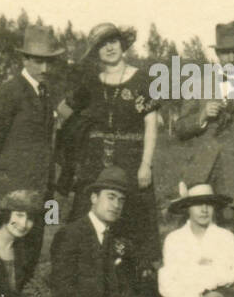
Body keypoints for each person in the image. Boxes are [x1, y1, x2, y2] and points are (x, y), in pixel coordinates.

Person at [48, 166, 190, 297]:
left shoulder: (114, 236)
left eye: (121, 200)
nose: (116, 205)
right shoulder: (71, 234)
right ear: (94, 198)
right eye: (111, 197)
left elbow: (122, 283)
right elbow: (63, 288)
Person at [58, 23, 164, 278]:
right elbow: (63, 109)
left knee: (134, 219)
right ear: (95, 51)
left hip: (131, 162)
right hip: (95, 164)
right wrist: (83, 129)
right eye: (102, 44)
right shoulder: (90, 84)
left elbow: (152, 124)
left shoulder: (142, 80)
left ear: (122, 44)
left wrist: (145, 164)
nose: (109, 48)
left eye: (113, 41)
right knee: (87, 219)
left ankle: (134, 282)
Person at [172, 21, 234, 247]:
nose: (231, 58)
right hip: (200, 174)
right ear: (217, 55)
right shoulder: (198, 84)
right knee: (193, 240)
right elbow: (179, 129)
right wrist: (202, 116)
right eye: (225, 53)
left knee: (231, 242)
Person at [0, 24, 65, 263]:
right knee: (4, 251)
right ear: (25, 59)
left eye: (49, 62)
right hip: (12, 190)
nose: (45, 68)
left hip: (38, 190)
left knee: (30, 252)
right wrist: (2, 182)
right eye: (38, 61)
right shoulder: (10, 93)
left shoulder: (45, 94)